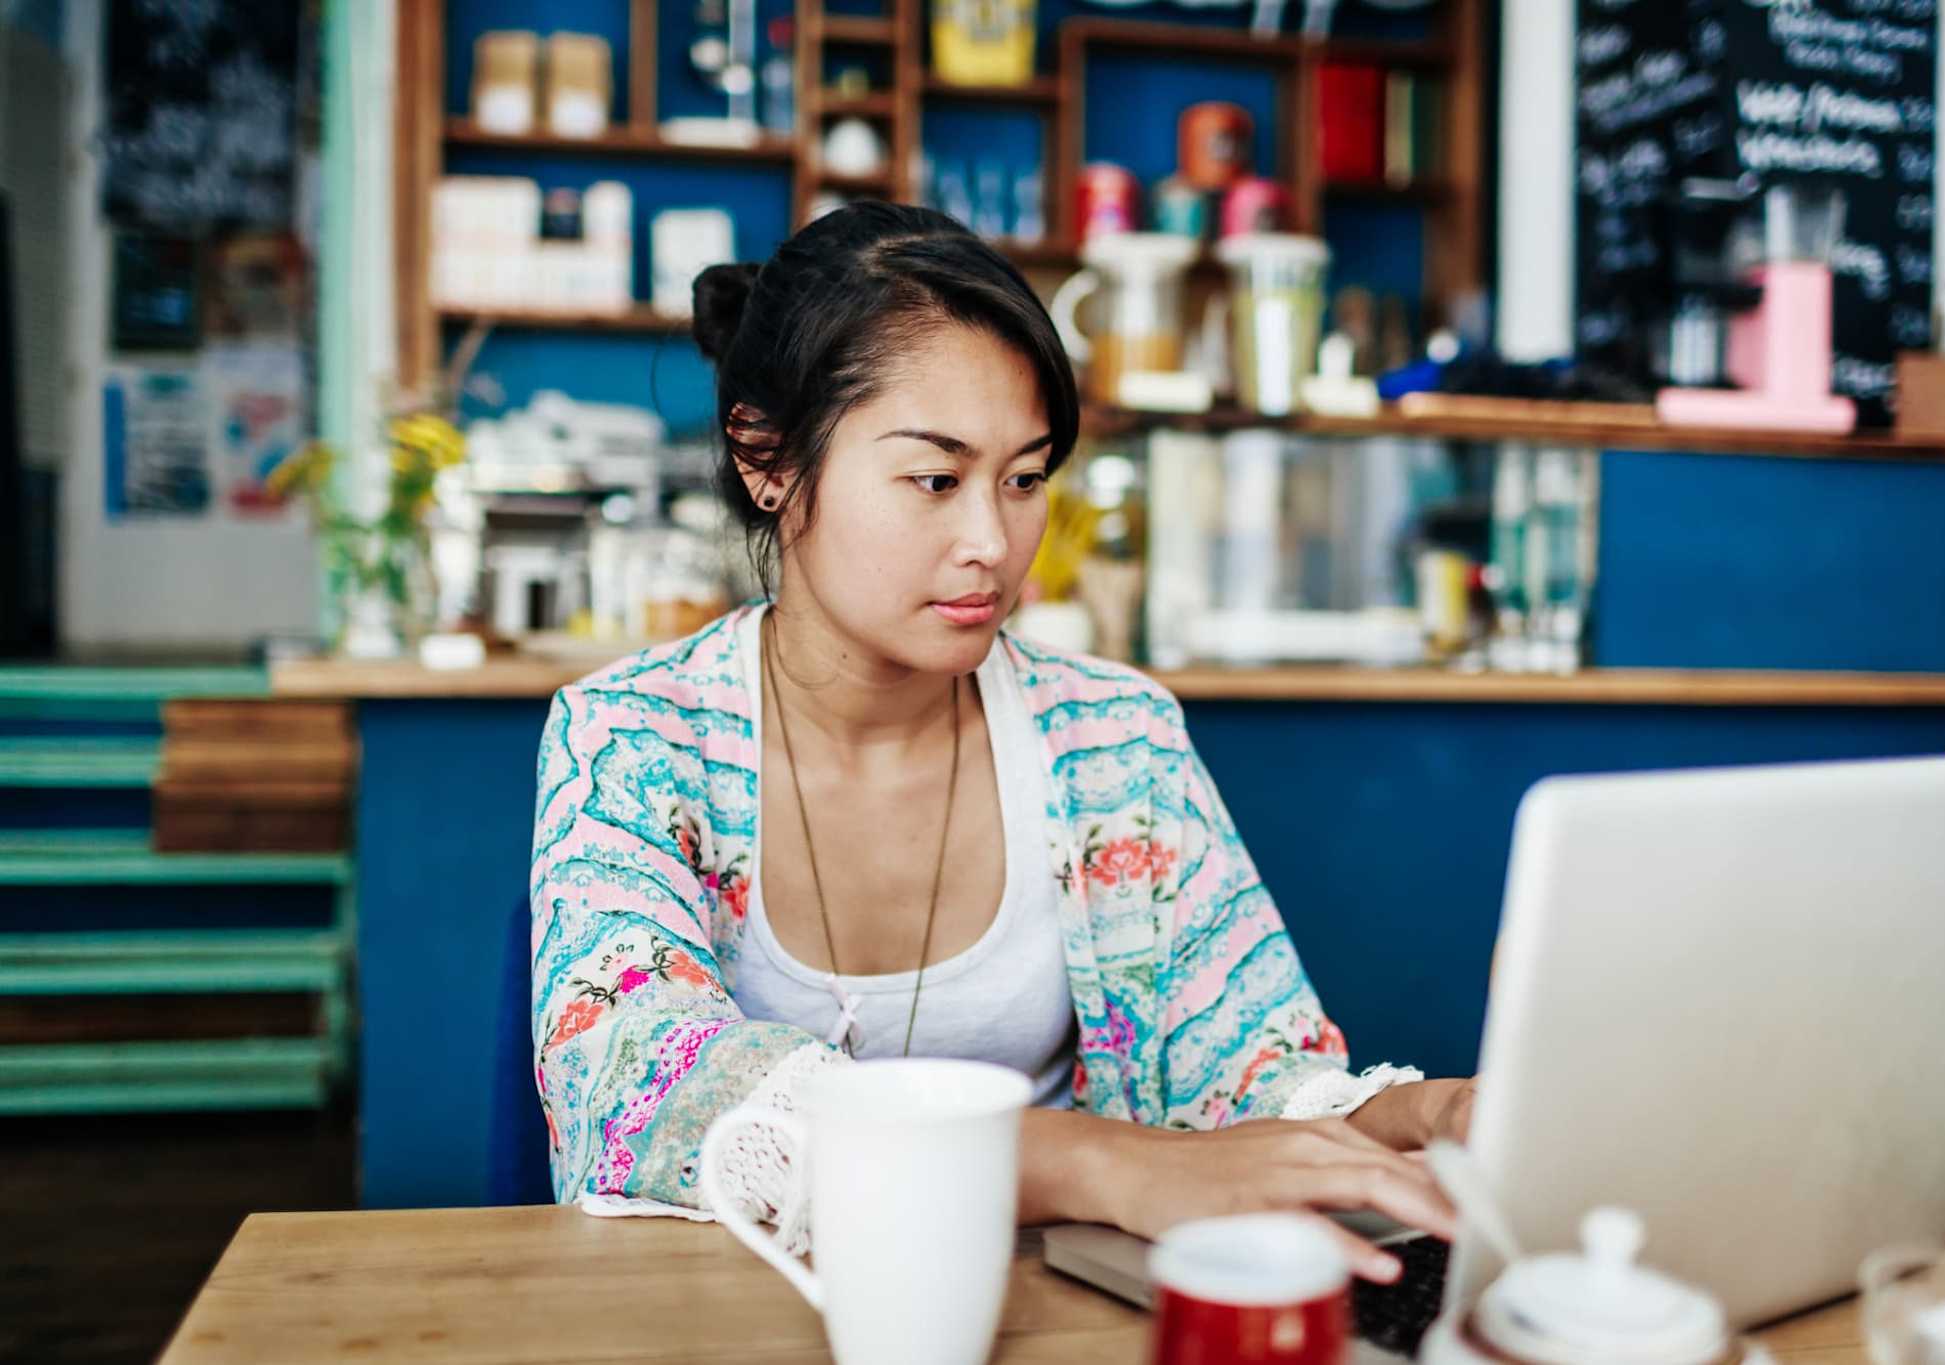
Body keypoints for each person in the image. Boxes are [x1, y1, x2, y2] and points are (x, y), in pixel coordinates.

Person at [529, 201, 1474, 1281]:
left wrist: (1417, 1112)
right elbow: (639, 1096)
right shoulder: (630, 738)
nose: (992, 541)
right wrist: (1099, 1164)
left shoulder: (1114, 737)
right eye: (935, 480)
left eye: (1022, 479)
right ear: (765, 458)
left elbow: (1241, 1074)